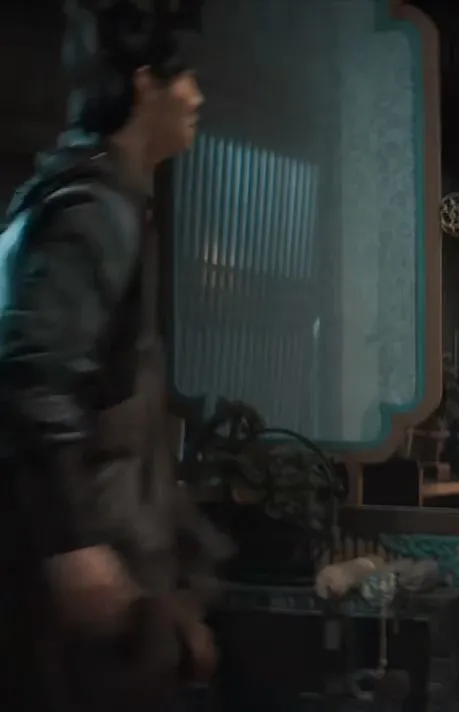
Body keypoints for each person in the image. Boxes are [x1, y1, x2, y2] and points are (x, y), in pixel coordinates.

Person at [0, 2, 230, 710]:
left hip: (109, 563)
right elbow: (33, 374)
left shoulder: (99, 195)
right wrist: (74, 545)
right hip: (77, 579)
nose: (196, 95)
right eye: (184, 77)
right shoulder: (92, 208)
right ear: (143, 84)